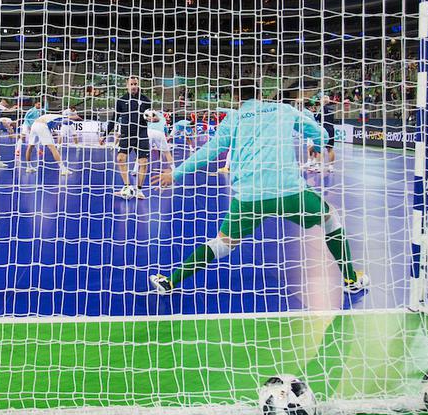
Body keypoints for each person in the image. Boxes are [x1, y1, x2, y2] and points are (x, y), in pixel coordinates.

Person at [149, 81, 367, 296]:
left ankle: (170, 282)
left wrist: (175, 174)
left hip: (249, 197)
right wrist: (318, 147)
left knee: (222, 244)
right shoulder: (285, 109)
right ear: (261, 94)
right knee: (331, 219)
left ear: (236, 98)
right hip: (290, 192)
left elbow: (209, 152)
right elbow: (322, 136)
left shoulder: (233, 119)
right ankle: (350, 279)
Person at [114, 76, 152, 200]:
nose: (134, 86)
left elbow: (150, 116)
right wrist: (104, 134)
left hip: (141, 134)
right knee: (120, 158)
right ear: (127, 86)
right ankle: (126, 186)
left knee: (143, 162)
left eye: (136, 83)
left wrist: (154, 118)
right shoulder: (121, 100)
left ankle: (139, 190)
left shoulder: (145, 100)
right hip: (126, 135)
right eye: (131, 84)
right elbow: (114, 117)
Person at [24, 111, 73, 176]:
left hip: (34, 125)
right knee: (52, 148)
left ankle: (28, 167)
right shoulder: (60, 117)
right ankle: (63, 169)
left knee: (30, 146)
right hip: (41, 126)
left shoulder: (50, 116)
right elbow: (72, 117)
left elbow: (49, 128)